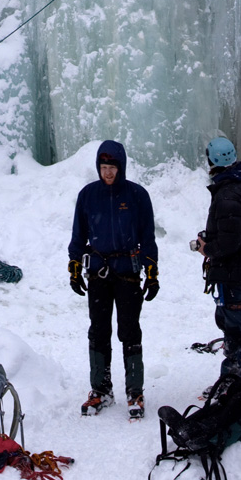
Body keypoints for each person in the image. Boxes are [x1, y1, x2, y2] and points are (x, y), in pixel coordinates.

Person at [68, 140, 159, 420]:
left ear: (122, 168)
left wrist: (152, 271)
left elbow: (147, 238)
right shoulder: (88, 195)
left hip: (128, 273)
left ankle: (135, 391)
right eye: (103, 167)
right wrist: (74, 265)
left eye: (112, 167)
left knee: (129, 331)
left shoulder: (137, 196)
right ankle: (101, 390)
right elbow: (78, 236)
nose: (108, 173)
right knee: (98, 331)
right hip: (97, 272)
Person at [194, 136, 241, 388]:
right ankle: (234, 376)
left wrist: (207, 248)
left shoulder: (227, 195)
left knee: (237, 326)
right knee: (230, 320)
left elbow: (229, 244)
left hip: (233, 270)